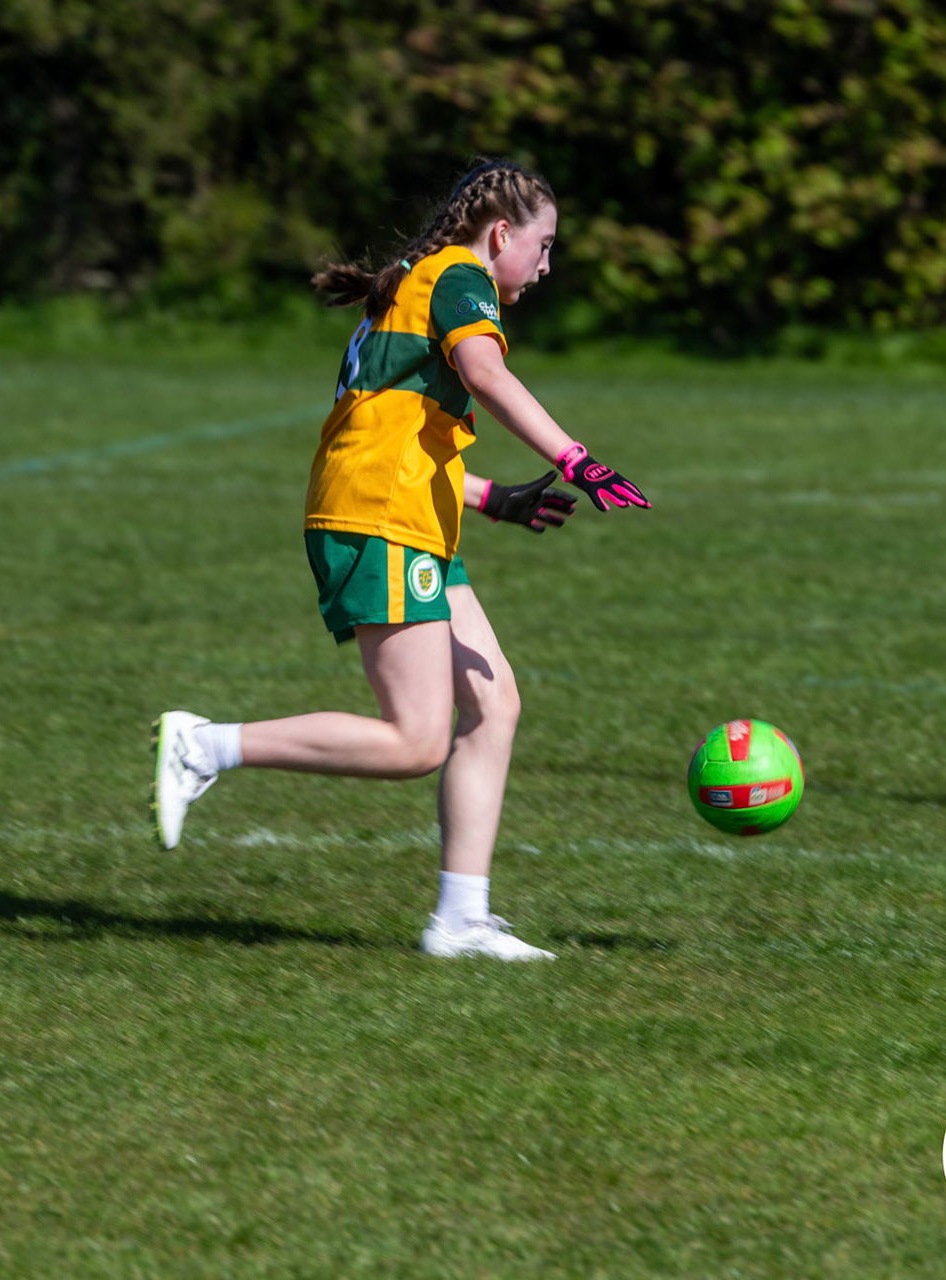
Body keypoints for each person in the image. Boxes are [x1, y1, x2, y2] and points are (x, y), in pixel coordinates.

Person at [153, 158, 650, 961]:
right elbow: (484, 374)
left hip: (403, 513)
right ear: (501, 235)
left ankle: (460, 921)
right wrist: (577, 460)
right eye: (545, 245)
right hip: (381, 520)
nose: (547, 266)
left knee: (493, 704)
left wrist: (491, 498)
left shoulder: (422, 282)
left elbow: (392, 431)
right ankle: (205, 745)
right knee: (416, 740)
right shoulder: (459, 277)